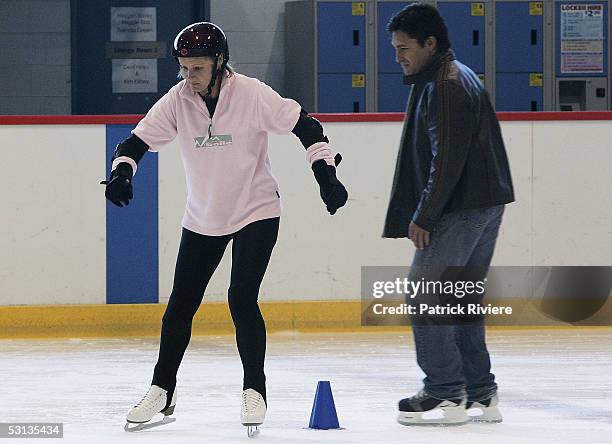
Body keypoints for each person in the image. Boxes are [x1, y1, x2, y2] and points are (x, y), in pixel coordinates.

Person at [103, 22, 348, 434]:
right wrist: (122, 174)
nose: (188, 78)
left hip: (257, 210)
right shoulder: (179, 100)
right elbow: (135, 142)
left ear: (219, 64)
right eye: (183, 68)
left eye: (196, 69)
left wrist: (325, 175)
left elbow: (304, 124)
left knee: (241, 297)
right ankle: (163, 389)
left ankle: (255, 389)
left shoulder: (251, 94)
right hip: (204, 216)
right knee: (181, 304)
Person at [382, 4, 514, 426]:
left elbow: (448, 158)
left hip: (460, 209)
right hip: (483, 204)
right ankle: (480, 392)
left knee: (425, 297)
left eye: (404, 48)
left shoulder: (446, 85)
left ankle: (444, 393)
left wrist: (424, 215)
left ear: (430, 43)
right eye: (395, 48)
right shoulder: (455, 75)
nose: (398, 56)